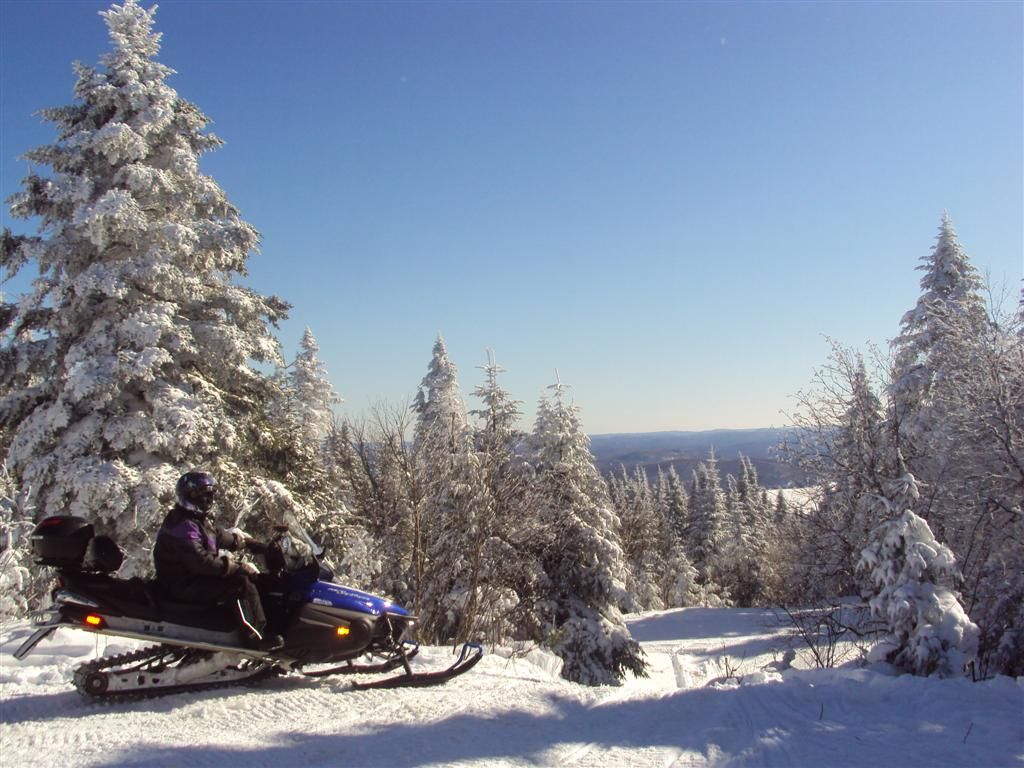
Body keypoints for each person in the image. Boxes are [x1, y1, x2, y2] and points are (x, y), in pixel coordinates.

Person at [153, 471, 282, 651]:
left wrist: (250, 544)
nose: (206, 499)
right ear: (187, 495)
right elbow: (200, 561)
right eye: (201, 495)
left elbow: (218, 536)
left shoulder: (196, 521)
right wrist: (234, 567)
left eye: (209, 494)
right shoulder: (182, 525)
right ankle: (255, 638)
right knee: (240, 583)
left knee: (253, 579)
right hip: (181, 584)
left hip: (189, 579)